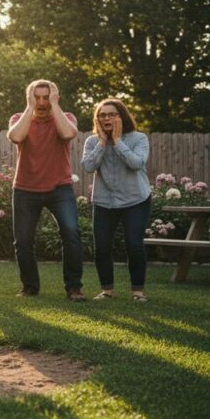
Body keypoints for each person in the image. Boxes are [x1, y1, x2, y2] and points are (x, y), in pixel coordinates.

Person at [7, 79, 86, 301]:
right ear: (30, 98)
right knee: (23, 240)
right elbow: (16, 137)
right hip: (25, 189)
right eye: (37, 97)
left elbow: (68, 134)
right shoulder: (18, 119)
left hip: (59, 188)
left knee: (71, 232)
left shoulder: (66, 117)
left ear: (54, 97)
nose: (42, 102)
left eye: (46, 97)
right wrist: (29, 107)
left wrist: (55, 105)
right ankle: (30, 287)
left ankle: (73, 287)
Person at [81, 98, 151, 302]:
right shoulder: (92, 141)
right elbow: (87, 167)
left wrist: (118, 141)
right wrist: (103, 142)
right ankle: (107, 290)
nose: (106, 118)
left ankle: (138, 291)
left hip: (135, 199)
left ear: (122, 117)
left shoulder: (139, 138)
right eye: (102, 115)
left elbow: (136, 163)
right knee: (102, 246)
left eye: (112, 114)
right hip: (104, 201)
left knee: (133, 244)